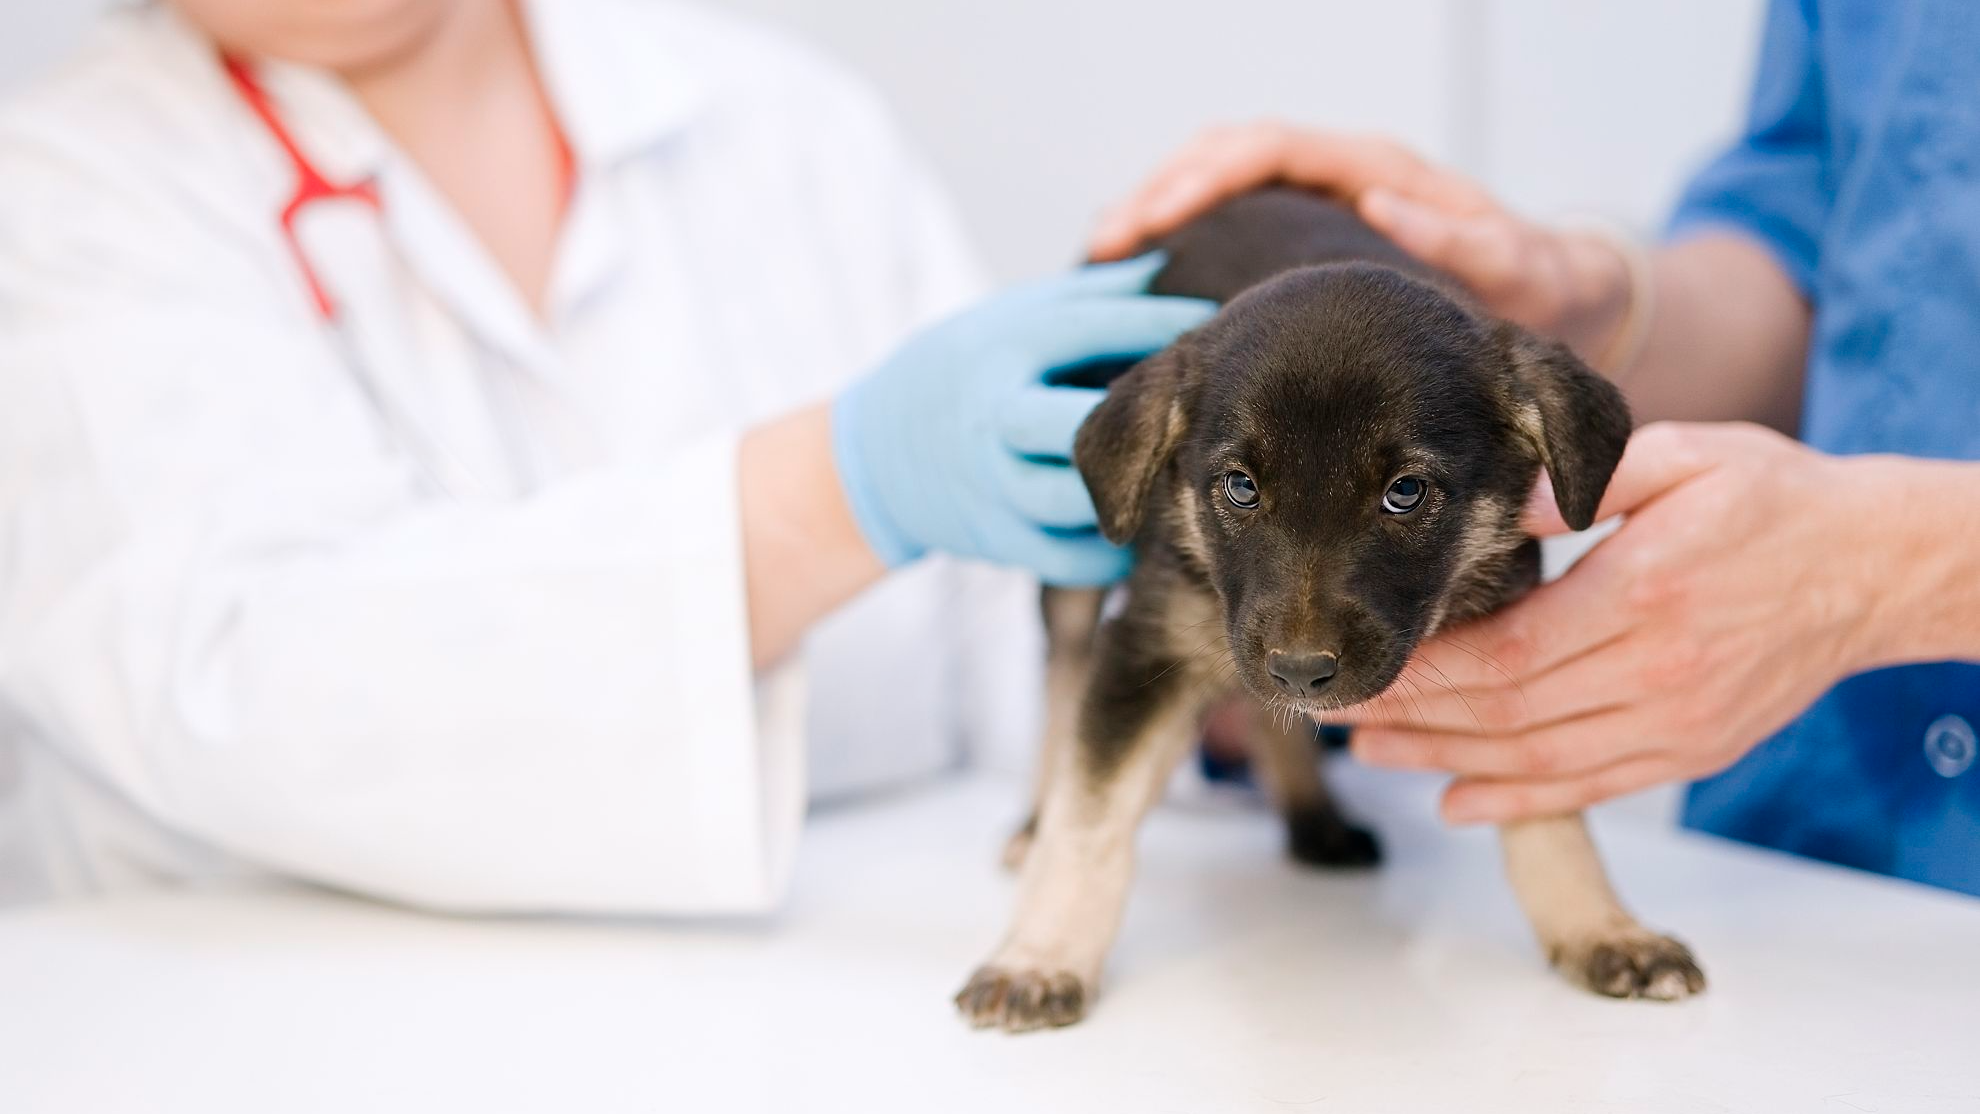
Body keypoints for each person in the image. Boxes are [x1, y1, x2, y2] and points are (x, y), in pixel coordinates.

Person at [0, 0, 1211, 910]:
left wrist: (1283, 610)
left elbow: (1017, 656)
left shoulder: (785, 121)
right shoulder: (63, 188)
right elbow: (244, 687)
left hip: (844, 1025)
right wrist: (830, 496)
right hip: (253, 1031)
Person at [1091, 0, 1980, 896]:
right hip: (1797, 862)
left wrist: (1895, 570)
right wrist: (1595, 296)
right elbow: (1820, 249)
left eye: (1405, 494)